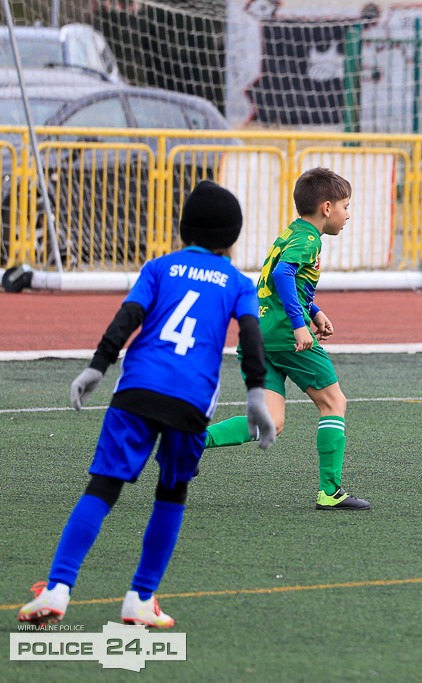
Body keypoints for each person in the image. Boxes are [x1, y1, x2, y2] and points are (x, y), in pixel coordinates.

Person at [18, 180, 276, 628]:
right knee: (171, 495)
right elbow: (250, 337)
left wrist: (97, 366)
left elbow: (128, 317)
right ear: (233, 239)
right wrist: (256, 393)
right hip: (191, 402)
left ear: (183, 230)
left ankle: (58, 589)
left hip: (136, 390)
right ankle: (140, 598)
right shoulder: (237, 282)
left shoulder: (158, 268)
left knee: (102, 488)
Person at [202, 167, 370, 511]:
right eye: (346, 206)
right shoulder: (309, 239)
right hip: (283, 335)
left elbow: (286, 281)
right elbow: (282, 273)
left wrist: (314, 310)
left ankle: (191, 441)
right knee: (333, 403)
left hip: (258, 333)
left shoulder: (291, 232)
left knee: (269, 422)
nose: (347, 214)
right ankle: (329, 492)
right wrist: (299, 324)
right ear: (327, 208)